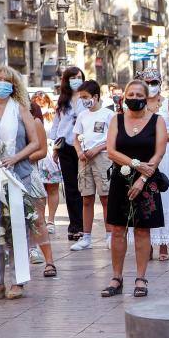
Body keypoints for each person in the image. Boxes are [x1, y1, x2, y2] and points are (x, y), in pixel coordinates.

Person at [104, 79, 167, 298]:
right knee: (118, 229)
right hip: (120, 180)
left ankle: (141, 277)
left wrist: (141, 178)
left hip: (147, 180)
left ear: (147, 97)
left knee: (142, 229)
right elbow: (111, 151)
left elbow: (158, 153)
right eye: (131, 95)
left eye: (140, 95)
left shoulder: (157, 121)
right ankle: (116, 277)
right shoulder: (116, 119)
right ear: (124, 97)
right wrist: (135, 164)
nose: (135, 99)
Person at [0, 66, 41, 300]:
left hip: (17, 175)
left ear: (14, 85)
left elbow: (35, 142)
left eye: (6, 80)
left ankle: (18, 281)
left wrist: (16, 157)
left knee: (17, 229)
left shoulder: (21, 109)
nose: (1, 84)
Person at [138, 68, 169, 259]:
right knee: (146, 198)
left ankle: (164, 244)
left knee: (163, 197)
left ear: (160, 83)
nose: (151, 86)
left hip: (165, 157)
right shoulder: (137, 104)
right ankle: (147, 243)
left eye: (154, 82)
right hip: (143, 155)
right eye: (147, 82)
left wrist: (160, 136)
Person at [70, 80, 113, 251]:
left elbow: (113, 139)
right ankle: (86, 236)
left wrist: (98, 148)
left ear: (95, 96)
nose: (84, 101)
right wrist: (79, 151)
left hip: (102, 158)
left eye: (86, 97)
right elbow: (75, 138)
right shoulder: (82, 116)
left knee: (105, 198)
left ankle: (110, 234)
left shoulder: (108, 115)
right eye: (81, 98)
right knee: (86, 198)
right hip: (84, 159)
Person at [50, 66, 86, 240]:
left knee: (83, 188)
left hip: (83, 146)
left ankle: (84, 225)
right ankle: (75, 226)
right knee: (70, 188)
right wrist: (55, 149)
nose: (76, 80)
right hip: (65, 147)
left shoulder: (86, 97)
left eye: (79, 77)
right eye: (72, 78)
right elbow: (57, 126)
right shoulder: (63, 100)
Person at [27, 103, 57, 278]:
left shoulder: (34, 121)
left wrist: (18, 158)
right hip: (4, 175)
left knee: (37, 219)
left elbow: (43, 151)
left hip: (29, 174)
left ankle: (49, 261)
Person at [32, 92, 61, 234]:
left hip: (50, 154)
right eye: (37, 102)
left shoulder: (54, 116)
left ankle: (51, 220)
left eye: (43, 102)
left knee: (52, 188)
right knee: (39, 189)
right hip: (36, 154)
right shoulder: (30, 116)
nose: (41, 105)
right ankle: (40, 219)